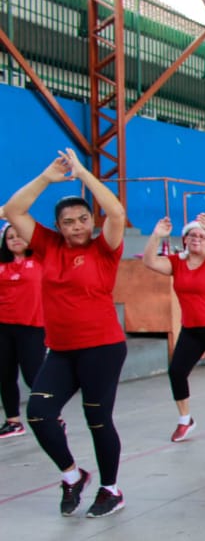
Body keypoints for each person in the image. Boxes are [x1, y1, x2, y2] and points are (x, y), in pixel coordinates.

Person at [3, 149, 128, 517]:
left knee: (98, 419)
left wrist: (83, 174)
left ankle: (111, 489)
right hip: (60, 350)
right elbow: (13, 210)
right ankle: (73, 475)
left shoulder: (104, 249)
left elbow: (117, 213)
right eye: (69, 221)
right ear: (58, 226)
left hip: (102, 348)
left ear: (91, 220)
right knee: (39, 413)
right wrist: (46, 177)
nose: (77, 226)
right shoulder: (47, 245)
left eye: (83, 219)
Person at [143, 215, 205, 443]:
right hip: (192, 328)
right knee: (177, 371)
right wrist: (156, 235)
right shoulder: (176, 263)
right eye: (192, 235)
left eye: (202, 236)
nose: (197, 239)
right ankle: (185, 419)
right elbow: (149, 261)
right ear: (185, 240)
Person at [0, 218, 44, 439]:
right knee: (5, 375)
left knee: (33, 376)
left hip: (33, 328)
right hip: (4, 329)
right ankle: (13, 421)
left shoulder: (39, 260)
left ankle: (50, 416)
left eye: (18, 235)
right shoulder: (1, 265)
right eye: (10, 237)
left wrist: (14, 215)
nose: (15, 239)